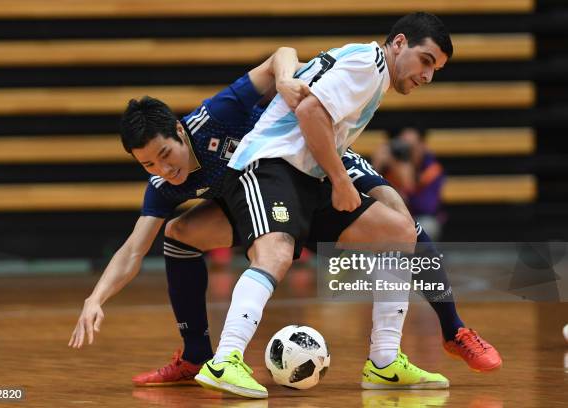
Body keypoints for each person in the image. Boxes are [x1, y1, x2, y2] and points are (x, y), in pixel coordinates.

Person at [195, 12, 499, 399]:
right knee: (276, 253)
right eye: (426, 61)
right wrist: (341, 180)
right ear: (400, 42)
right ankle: (224, 360)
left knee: (399, 233)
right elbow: (309, 113)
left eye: (435, 69)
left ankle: (385, 362)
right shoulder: (367, 66)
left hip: (306, 176)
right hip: (271, 165)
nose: (427, 76)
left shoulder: (369, 71)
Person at [373, 127, 445, 240]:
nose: (407, 152)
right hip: (388, 220)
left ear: (423, 146)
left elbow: (427, 209)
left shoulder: (431, 169)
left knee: (427, 225)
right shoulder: (385, 167)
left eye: (411, 147)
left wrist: (408, 185)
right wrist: (375, 169)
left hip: (417, 219)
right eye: (403, 146)